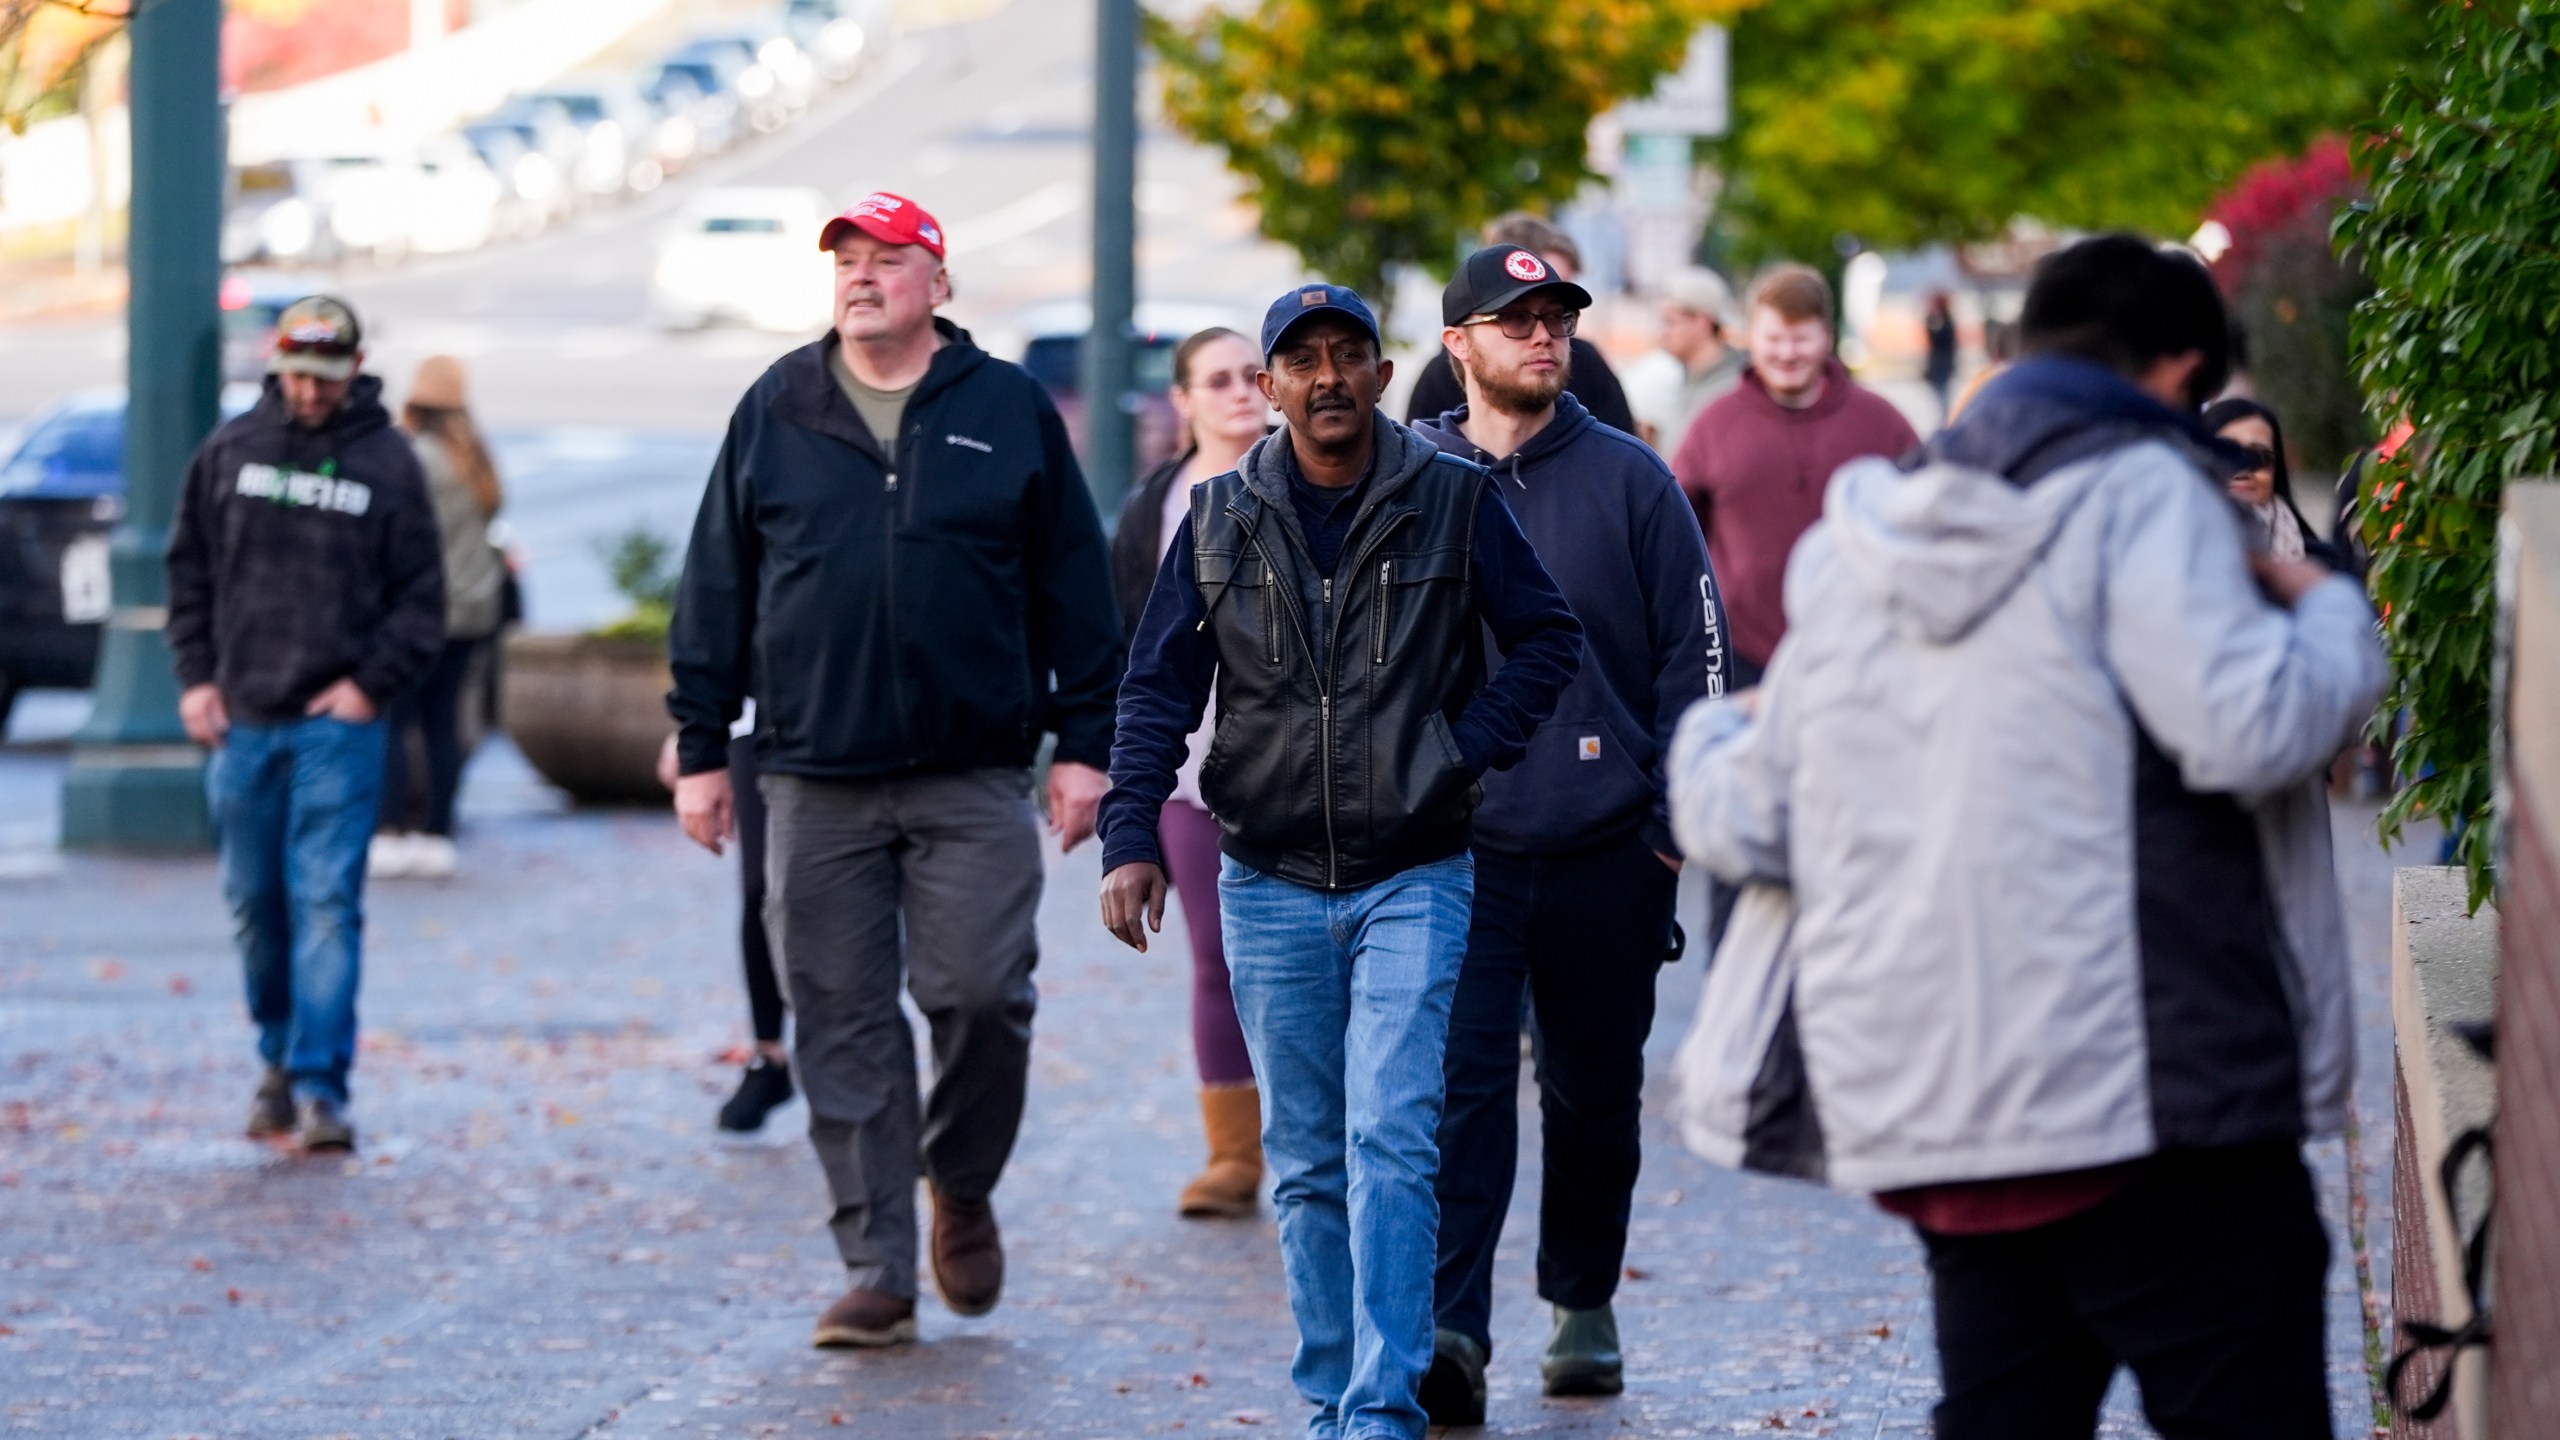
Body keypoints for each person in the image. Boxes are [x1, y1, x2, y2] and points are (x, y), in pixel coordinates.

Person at [1668, 234, 2388, 1440]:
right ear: (2177, 373)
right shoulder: (2145, 496)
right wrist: (2330, 615)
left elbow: (1746, 817)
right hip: (2151, 1106)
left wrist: (1714, 734)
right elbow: (2252, 729)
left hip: (1946, 1127)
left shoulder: (1865, 541)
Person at [1098, 283, 1582, 1440]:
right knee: (1307, 1158)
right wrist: (1129, 838)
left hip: (1414, 867)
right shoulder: (1216, 519)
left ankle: (1382, 1404)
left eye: (1346, 356)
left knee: (1392, 1133)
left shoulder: (1452, 501)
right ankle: (1328, 1391)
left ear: (1377, 375)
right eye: (1299, 360)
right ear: (1267, 390)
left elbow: (1548, 638)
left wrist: (1457, 753)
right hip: (1263, 876)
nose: (1325, 377)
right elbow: (1156, 689)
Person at [664, 192, 1123, 1350]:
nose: (862, 277)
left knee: (980, 995)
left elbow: (1075, 588)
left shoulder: (1007, 409)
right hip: (812, 777)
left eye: (888, 259)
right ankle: (877, 1263)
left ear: (939, 281)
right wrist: (702, 748)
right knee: (839, 1020)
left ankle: (957, 1186)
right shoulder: (778, 405)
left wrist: (1085, 748)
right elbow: (716, 585)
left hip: (971, 775)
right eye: (847, 261)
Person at [1411, 246, 1725, 1423]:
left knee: (1597, 1096)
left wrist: (1666, 823)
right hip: (1456, 850)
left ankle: (1581, 1304)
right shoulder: (1412, 476)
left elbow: (1695, 659)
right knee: (1459, 1093)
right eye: (1514, 320)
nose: (1542, 337)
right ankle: (1452, 1331)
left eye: (1555, 319)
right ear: (1458, 346)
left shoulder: (1632, 481)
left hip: (1608, 849)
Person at [166, 295, 446, 1153]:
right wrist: (195, 679)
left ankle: (320, 1083)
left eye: (326, 377)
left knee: (325, 902)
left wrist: (370, 686)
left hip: (337, 725)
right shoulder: (230, 450)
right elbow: (190, 572)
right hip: (243, 718)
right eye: (297, 374)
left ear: (355, 370)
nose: (310, 392)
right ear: (275, 363)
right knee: (256, 904)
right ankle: (277, 1060)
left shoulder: (388, 463)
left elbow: (424, 601)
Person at [1109, 326, 1273, 1218]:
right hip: (1192, 773)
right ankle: (1233, 1155)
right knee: (1217, 959)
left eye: (1254, 375)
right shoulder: (1156, 509)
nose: (1241, 392)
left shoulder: (1323, 477)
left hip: (1310, 772)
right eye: (1218, 380)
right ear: (1184, 400)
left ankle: (1332, 1137)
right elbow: (1129, 653)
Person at [1671, 263, 1919, 690]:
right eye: (1774, 339)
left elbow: (1924, 522)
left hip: (1862, 659)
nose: (1786, 353)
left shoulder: (1883, 424)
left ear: (1826, 336)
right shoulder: (1712, 425)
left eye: (1800, 338)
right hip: (1741, 660)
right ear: (1750, 338)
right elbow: (1672, 537)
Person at [370, 355, 504, 881]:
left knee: (397, 722)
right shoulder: (475, 455)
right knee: (443, 724)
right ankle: (438, 831)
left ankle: (392, 830)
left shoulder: (418, 458)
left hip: (426, 611)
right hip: (475, 609)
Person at [655, 720, 797, 1133]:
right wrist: (692, 730)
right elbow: (710, 653)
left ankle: (872, 1069)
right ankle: (768, 1055)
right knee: (763, 883)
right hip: (756, 720)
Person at [1402, 213, 1635, 435]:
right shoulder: (1438, 381)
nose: (1544, 335)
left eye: (1559, 310)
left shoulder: (1587, 364)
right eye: (1517, 316)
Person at [1622, 266, 1746, 452]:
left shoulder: (1735, 386)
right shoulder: (1681, 378)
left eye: (1670, 322)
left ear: (1702, 322)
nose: (1663, 333)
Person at [2203, 397, 2329, 567]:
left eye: (2259, 457)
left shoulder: (2322, 568)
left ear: (2276, 471)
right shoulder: (2167, 550)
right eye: (2228, 453)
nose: (2243, 470)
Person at [1923, 289, 1960, 421]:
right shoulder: (1938, 320)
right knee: (1941, 397)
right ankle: (1945, 420)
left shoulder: (1946, 322)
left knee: (1944, 398)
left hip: (1942, 363)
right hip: (1938, 363)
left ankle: (1946, 421)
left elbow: (1942, 340)